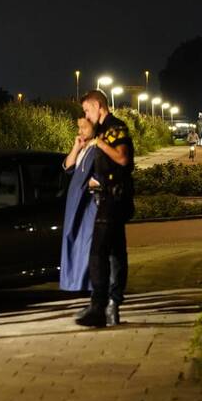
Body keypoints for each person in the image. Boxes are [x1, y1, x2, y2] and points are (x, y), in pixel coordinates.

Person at [75, 89, 134, 328]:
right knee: (116, 252)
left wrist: (98, 141)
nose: (86, 116)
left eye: (88, 110)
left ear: (99, 106)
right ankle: (113, 304)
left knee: (98, 251)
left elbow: (122, 159)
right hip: (107, 197)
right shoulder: (100, 131)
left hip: (113, 198)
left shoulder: (116, 128)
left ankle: (99, 306)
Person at [59, 115, 98, 293]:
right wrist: (76, 147)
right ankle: (76, 282)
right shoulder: (84, 148)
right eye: (78, 127)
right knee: (73, 240)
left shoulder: (98, 149)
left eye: (84, 127)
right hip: (75, 203)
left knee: (87, 244)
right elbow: (68, 167)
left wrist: (86, 183)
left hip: (88, 204)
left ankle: (88, 284)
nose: (80, 131)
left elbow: (100, 177)